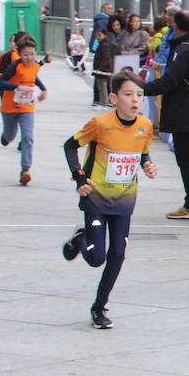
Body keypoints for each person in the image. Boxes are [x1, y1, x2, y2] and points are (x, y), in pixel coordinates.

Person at [61, 71, 157, 329]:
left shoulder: (145, 126)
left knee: (117, 254)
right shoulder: (100, 124)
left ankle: (99, 307)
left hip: (124, 200)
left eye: (140, 95)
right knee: (96, 258)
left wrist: (147, 165)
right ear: (114, 98)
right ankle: (81, 239)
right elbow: (70, 146)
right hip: (96, 198)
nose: (135, 100)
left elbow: (142, 153)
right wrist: (79, 177)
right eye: (128, 94)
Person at [143, 10, 189, 220]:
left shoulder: (183, 50)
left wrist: (139, 88)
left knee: (187, 161)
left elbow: (170, 81)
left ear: (175, 26)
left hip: (185, 113)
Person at [0, 35, 47, 185]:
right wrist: (17, 87)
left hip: (26, 107)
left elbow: (34, 78)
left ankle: (25, 170)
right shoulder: (15, 66)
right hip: (9, 107)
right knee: (10, 135)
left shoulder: (35, 65)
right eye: (25, 55)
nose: (29, 58)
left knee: (27, 137)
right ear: (19, 54)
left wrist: (43, 90)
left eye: (32, 54)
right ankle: (6, 137)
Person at [91, 25, 117, 107]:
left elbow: (106, 58)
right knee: (107, 86)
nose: (98, 37)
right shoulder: (104, 44)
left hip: (103, 70)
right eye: (96, 35)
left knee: (102, 86)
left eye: (100, 35)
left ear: (105, 35)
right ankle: (107, 102)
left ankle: (104, 102)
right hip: (105, 69)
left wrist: (100, 69)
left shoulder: (104, 45)